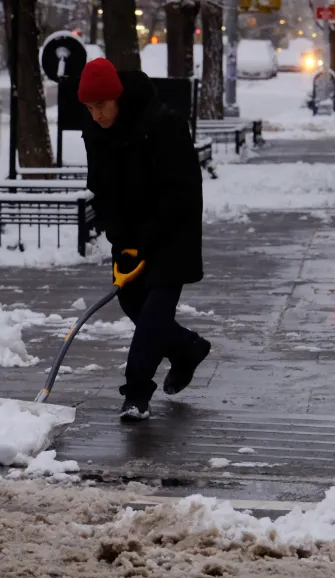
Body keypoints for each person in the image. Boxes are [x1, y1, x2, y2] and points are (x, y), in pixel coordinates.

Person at [78, 57, 212, 422]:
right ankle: (187, 349)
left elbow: (179, 192)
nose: (97, 115)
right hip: (129, 237)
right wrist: (118, 237)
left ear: (119, 98)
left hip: (173, 233)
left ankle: (136, 392)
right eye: (89, 108)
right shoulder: (96, 133)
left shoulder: (163, 125)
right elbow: (100, 190)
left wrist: (147, 241)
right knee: (133, 304)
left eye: (102, 106)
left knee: (153, 314)